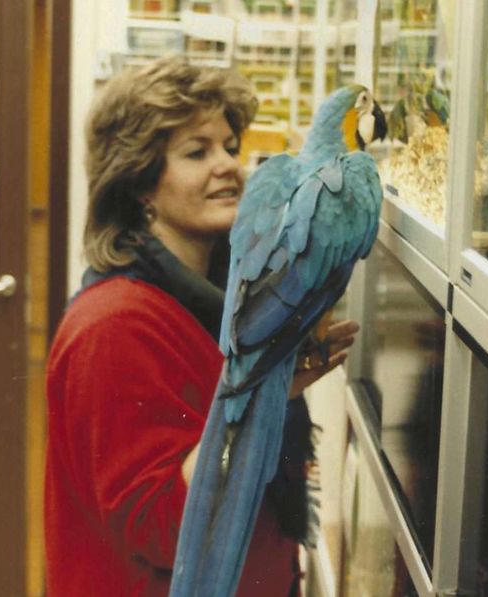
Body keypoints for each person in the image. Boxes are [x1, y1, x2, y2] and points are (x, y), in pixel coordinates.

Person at [44, 56, 360, 596]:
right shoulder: (112, 327)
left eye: (230, 147)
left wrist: (277, 382)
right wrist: (261, 391)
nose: (229, 166)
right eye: (197, 152)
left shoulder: (223, 305)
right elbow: (164, 526)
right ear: (139, 183)